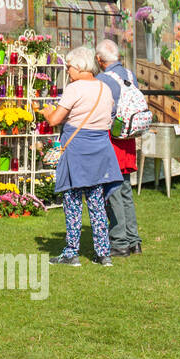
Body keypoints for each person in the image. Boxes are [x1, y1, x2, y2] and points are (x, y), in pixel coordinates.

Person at [41, 45, 123, 267]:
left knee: (73, 203)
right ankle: (103, 253)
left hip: (77, 150)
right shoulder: (104, 88)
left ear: (78, 66)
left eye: (68, 67)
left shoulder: (74, 89)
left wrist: (46, 111)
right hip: (99, 150)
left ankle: (71, 253)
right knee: (97, 202)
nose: (67, 71)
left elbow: (55, 120)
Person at [96, 39, 143, 257]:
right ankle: (134, 241)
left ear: (99, 59)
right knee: (125, 190)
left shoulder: (103, 80)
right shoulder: (130, 75)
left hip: (112, 139)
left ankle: (119, 241)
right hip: (128, 139)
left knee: (112, 190)